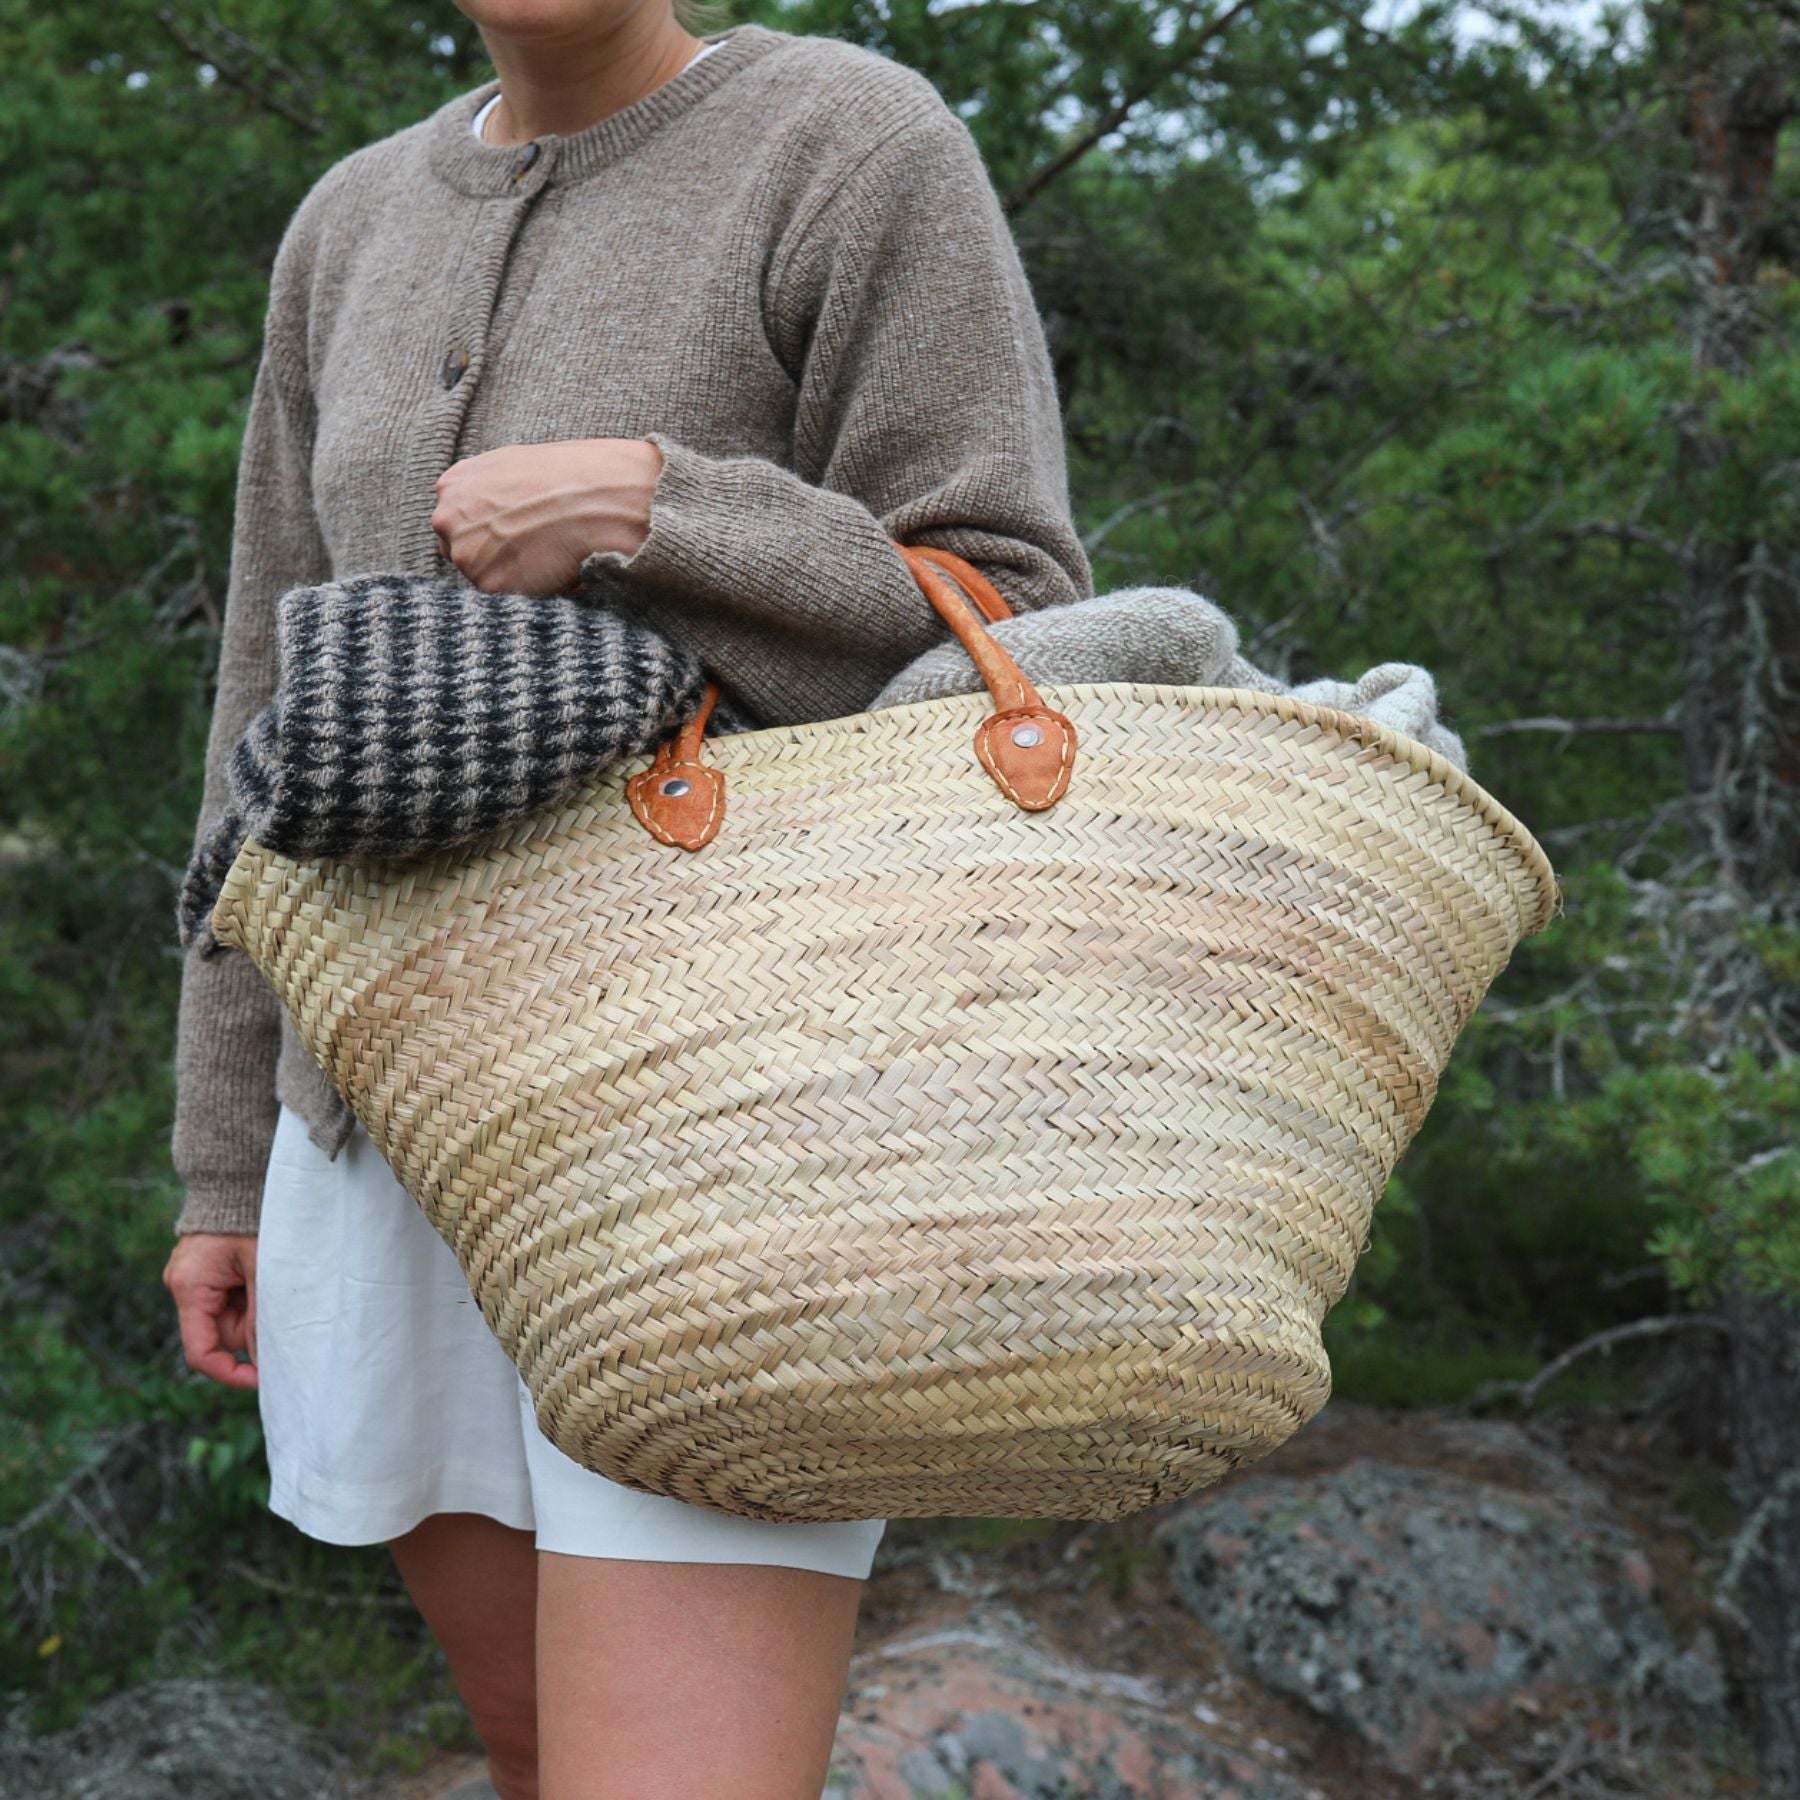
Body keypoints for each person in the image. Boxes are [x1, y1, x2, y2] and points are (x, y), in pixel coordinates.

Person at [160, 3, 1093, 1796]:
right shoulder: (348, 223)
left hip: (725, 1127)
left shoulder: (851, 147)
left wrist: (648, 501)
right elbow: (262, 725)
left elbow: (1012, 592)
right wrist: (223, 1161)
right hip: (389, 1114)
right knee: (532, 1754)